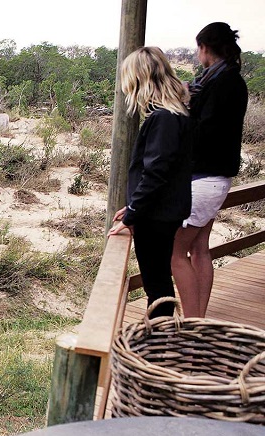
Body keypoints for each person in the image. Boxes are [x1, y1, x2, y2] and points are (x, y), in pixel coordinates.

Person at [171, 22, 248, 318]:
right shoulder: (231, 79)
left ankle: (191, 324)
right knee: (200, 248)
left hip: (204, 177)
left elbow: (206, 129)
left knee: (175, 254)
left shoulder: (220, 82)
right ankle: (198, 317)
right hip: (219, 177)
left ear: (205, 48)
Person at [108, 47, 192, 318]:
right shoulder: (174, 115)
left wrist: (133, 214)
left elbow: (155, 174)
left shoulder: (163, 119)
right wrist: (133, 208)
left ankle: (159, 340)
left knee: (156, 286)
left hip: (156, 217)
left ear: (139, 79)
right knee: (159, 282)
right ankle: (161, 336)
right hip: (161, 213)